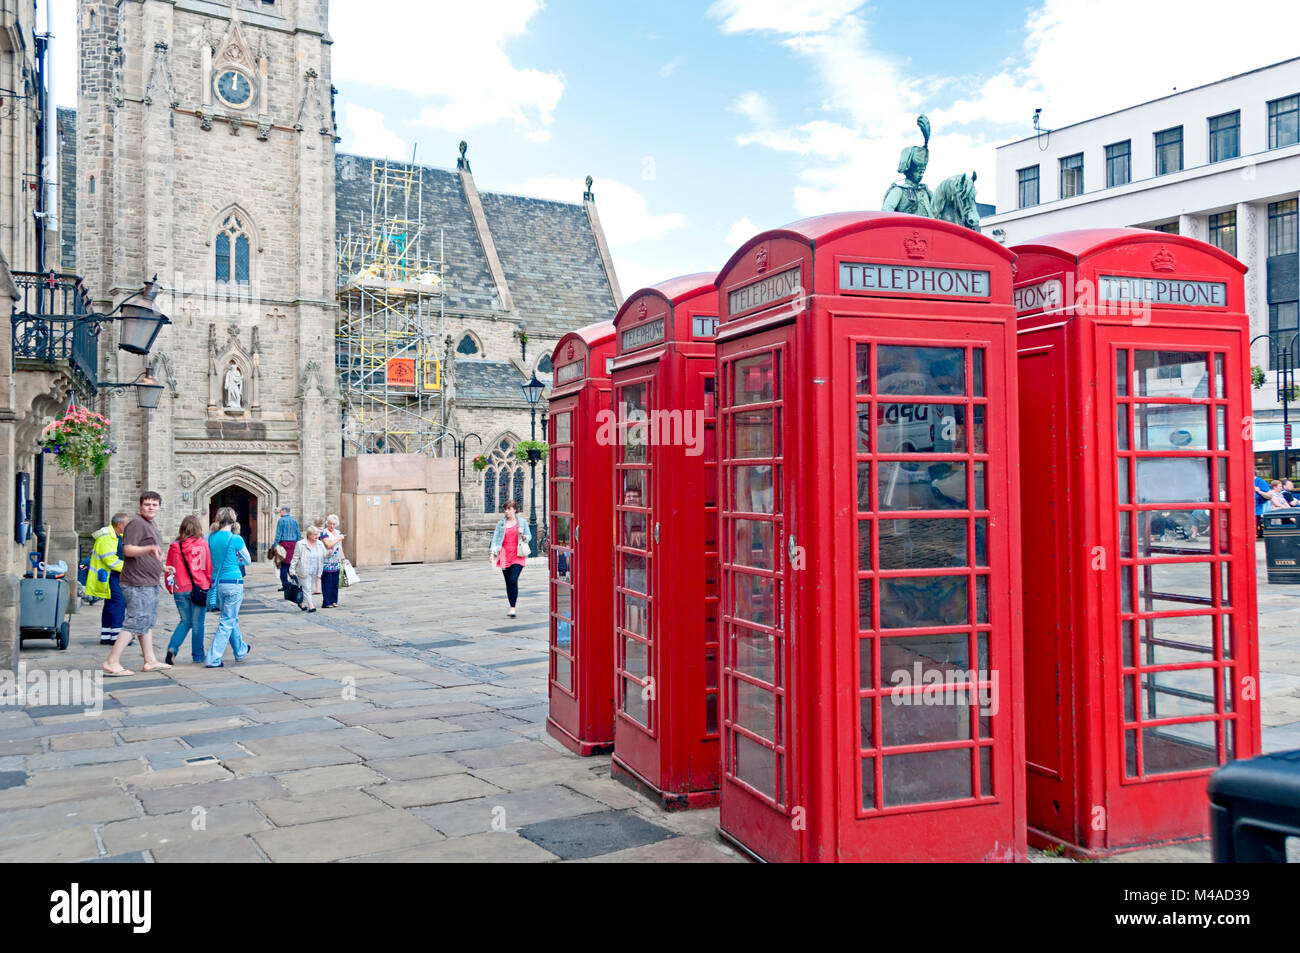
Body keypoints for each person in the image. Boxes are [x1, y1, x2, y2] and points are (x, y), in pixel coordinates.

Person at [103, 492, 171, 676]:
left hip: (148, 580)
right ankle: (112, 661)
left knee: (145, 620)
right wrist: (149, 548)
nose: (151, 507)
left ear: (159, 506)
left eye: (154, 504)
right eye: (147, 504)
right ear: (141, 506)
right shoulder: (136, 524)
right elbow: (128, 550)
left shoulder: (150, 524)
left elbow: (149, 554)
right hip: (137, 582)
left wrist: (161, 567)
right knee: (136, 619)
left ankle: (150, 660)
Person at [164, 515, 213, 665]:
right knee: (198, 624)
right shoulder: (203, 544)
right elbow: (207, 567)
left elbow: (168, 569)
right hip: (198, 588)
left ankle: (173, 648)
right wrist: (209, 583)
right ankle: (198, 655)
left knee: (185, 621)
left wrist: (169, 586)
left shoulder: (174, 546)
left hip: (180, 588)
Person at [205, 507, 251, 667]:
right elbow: (247, 560)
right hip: (233, 582)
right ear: (233, 521)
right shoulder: (236, 539)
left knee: (231, 618)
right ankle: (213, 658)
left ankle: (240, 650)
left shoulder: (210, 537)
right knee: (227, 621)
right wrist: (236, 560)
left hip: (217, 584)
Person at [87, 512, 128, 645]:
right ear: (120, 524)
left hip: (112, 576)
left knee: (111, 604)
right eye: (127, 524)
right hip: (110, 576)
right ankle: (116, 637)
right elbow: (110, 559)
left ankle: (107, 635)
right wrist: (128, 568)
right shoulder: (106, 537)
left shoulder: (115, 535)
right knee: (118, 603)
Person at [489, 499, 531, 618]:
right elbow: (496, 539)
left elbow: (529, 537)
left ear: (515, 510)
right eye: (505, 509)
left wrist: (522, 535)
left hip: (517, 555)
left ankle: (513, 606)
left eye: (509, 509)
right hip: (503, 555)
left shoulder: (522, 523)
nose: (506, 511)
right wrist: (492, 554)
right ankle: (512, 606)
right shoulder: (500, 524)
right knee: (508, 583)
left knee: (513, 580)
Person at [289, 525, 326, 612]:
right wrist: (292, 570)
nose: (317, 536)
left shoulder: (319, 544)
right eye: (314, 535)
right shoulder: (300, 544)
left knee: (308, 587)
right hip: (303, 569)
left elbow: (324, 554)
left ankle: (301, 603)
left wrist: (329, 553)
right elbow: (295, 558)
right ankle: (311, 605)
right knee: (307, 588)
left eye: (317, 534)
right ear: (309, 535)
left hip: (315, 569)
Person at [319, 514, 345, 608]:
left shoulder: (337, 532)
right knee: (327, 582)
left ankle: (334, 600)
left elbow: (340, 546)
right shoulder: (324, 532)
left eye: (334, 524)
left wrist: (343, 557)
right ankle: (326, 602)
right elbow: (328, 545)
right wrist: (338, 538)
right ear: (327, 523)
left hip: (336, 559)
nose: (332, 526)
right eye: (330, 524)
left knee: (335, 582)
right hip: (327, 560)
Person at [274, 505, 300, 593]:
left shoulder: (281, 520)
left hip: (283, 544)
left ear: (284, 511)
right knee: (289, 563)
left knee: (283, 565)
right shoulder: (294, 521)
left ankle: (285, 584)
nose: (280, 512)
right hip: (293, 544)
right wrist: (296, 543)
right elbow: (298, 534)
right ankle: (295, 581)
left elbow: (278, 534)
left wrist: (274, 545)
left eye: (281, 511)